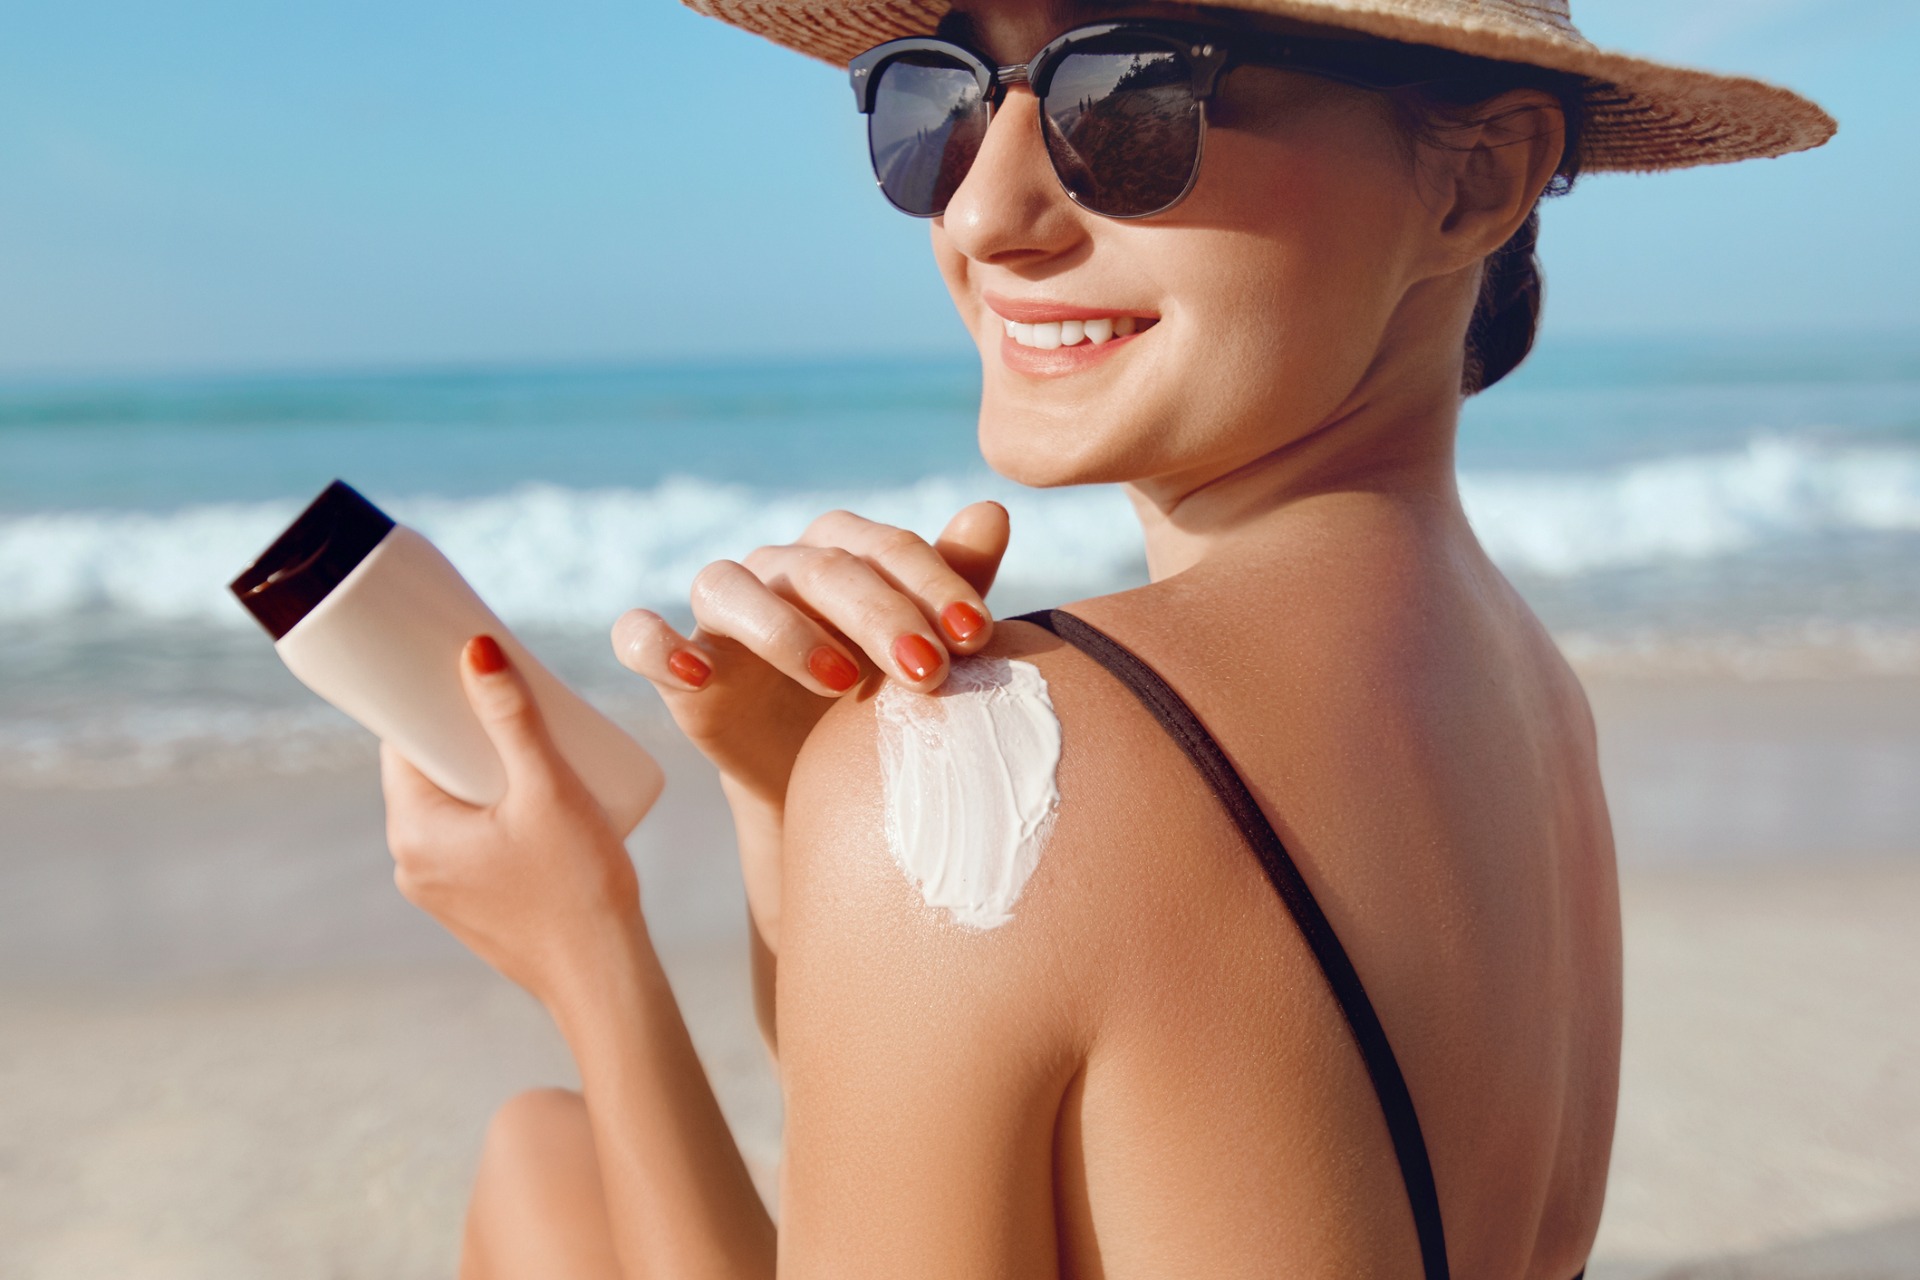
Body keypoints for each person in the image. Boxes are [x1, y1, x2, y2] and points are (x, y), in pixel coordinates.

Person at [377, 1, 1834, 1275]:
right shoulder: (1529, 690)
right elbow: (996, 1131)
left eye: (1128, 96)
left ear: (1479, 177)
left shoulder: (1034, 765)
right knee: (544, 1156)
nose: (981, 213)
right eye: (935, 101)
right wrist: (783, 799)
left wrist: (588, 947)